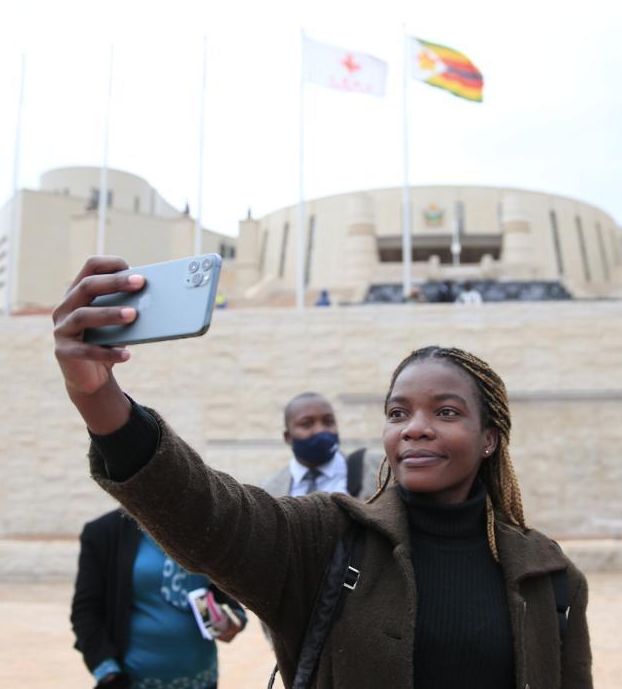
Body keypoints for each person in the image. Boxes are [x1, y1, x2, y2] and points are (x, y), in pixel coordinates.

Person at [53, 256, 592, 689]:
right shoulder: (328, 539)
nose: (415, 429)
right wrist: (98, 397)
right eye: (398, 413)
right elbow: (206, 513)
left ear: (489, 439)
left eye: (446, 412)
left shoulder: (550, 577)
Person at [71, 509, 247, 689]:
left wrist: (233, 620)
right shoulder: (105, 531)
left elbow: (225, 592)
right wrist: (108, 672)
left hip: (203, 680)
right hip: (133, 682)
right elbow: (85, 611)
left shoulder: (204, 529)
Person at [261, 392, 383, 500]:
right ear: (288, 437)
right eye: (307, 424)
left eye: (328, 422)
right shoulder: (269, 490)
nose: (320, 430)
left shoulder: (377, 468)